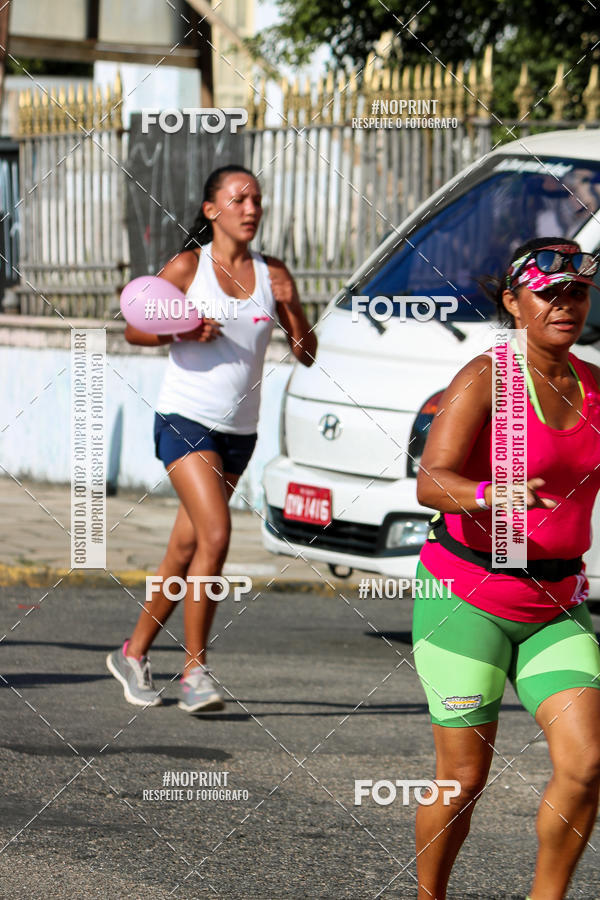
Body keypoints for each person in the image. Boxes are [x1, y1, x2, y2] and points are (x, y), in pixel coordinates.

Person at [413, 236, 600, 899]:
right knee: (463, 780)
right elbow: (431, 481)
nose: (565, 305)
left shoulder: (595, 386)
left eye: (576, 292)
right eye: (549, 293)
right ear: (513, 302)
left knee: (585, 766)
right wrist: (492, 493)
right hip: (468, 597)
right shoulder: (486, 376)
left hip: (555, 604)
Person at [107, 164, 317, 712]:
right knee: (216, 535)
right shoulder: (188, 266)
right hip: (185, 421)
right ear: (212, 210)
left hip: (239, 435)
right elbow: (133, 327)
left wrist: (293, 305)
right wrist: (182, 326)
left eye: (257, 199)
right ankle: (195, 672)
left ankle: (133, 653)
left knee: (184, 547)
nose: (251, 208)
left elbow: (307, 352)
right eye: (239, 198)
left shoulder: (273, 274)